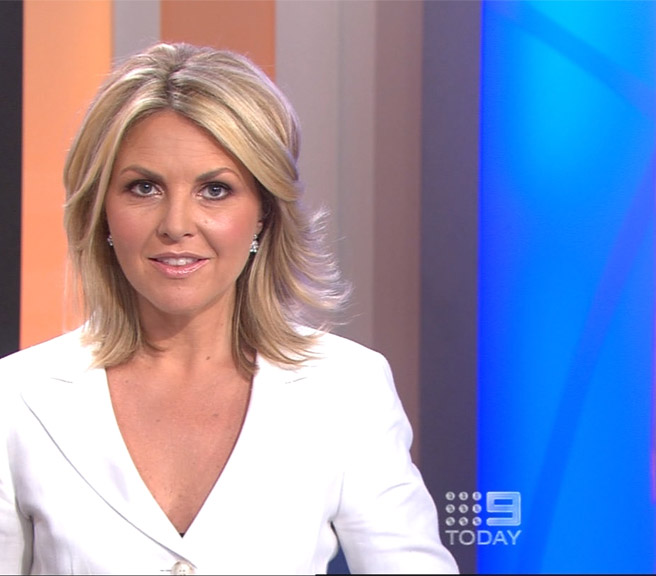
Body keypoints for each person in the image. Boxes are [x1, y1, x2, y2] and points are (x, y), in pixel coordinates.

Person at [0, 43, 458, 575]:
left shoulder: (346, 387)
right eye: (144, 187)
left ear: (263, 213)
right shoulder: (18, 396)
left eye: (215, 190)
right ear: (102, 210)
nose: (176, 224)